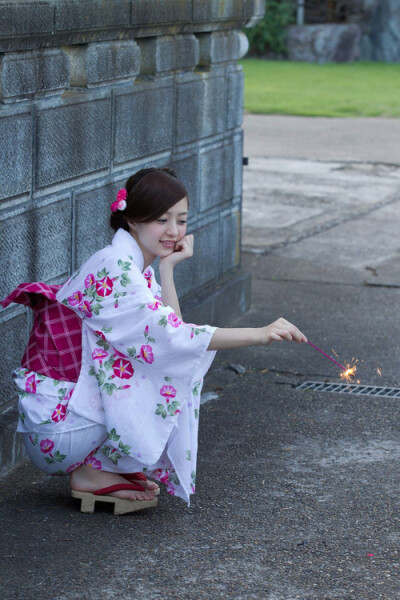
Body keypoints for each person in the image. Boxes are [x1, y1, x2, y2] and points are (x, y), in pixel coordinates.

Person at [2, 167, 307, 515]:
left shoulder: (137, 267)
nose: (174, 232)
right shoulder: (116, 268)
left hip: (68, 419)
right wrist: (260, 333)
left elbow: (169, 330)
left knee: (165, 361)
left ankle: (104, 465)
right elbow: (173, 338)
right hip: (60, 430)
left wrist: (167, 269)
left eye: (181, 220)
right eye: (162, 220)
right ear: (132, 220)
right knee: (164, 366)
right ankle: (91, 471)